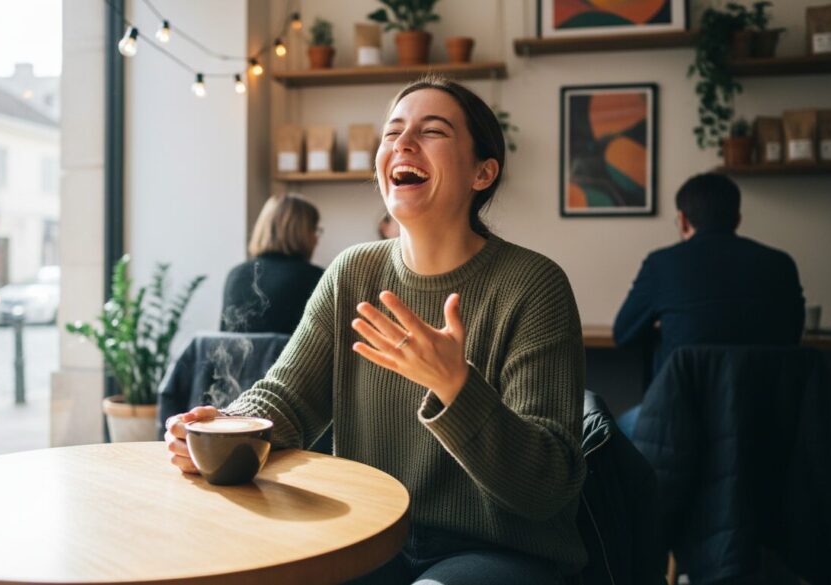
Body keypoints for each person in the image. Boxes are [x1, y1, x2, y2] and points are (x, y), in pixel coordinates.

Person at [170, 77, 587, 583]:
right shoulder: (353, 273)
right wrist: (225, 430)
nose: (403, 144)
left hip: (496, 551)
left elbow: (546, 489)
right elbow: (286, 400)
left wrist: (457, 387)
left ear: (483, 172)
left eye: (432, 131)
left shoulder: (534, 285)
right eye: (392, 133)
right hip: (368, 539)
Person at [613, 173, 804, 436]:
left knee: (607, 439)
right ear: (737, 219)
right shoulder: (782, 264)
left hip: (680, 421)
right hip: (764, 424)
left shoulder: (662, 264)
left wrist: (665, 326)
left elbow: (622, 334)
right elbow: (792, 338)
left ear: (682, 220)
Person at [220, 194, 324, 335]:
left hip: (234, 357)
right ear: (303, 233)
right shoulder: (316, 279)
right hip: (288, 358)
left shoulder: (236, 274)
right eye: (315, 230)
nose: (316, 240)